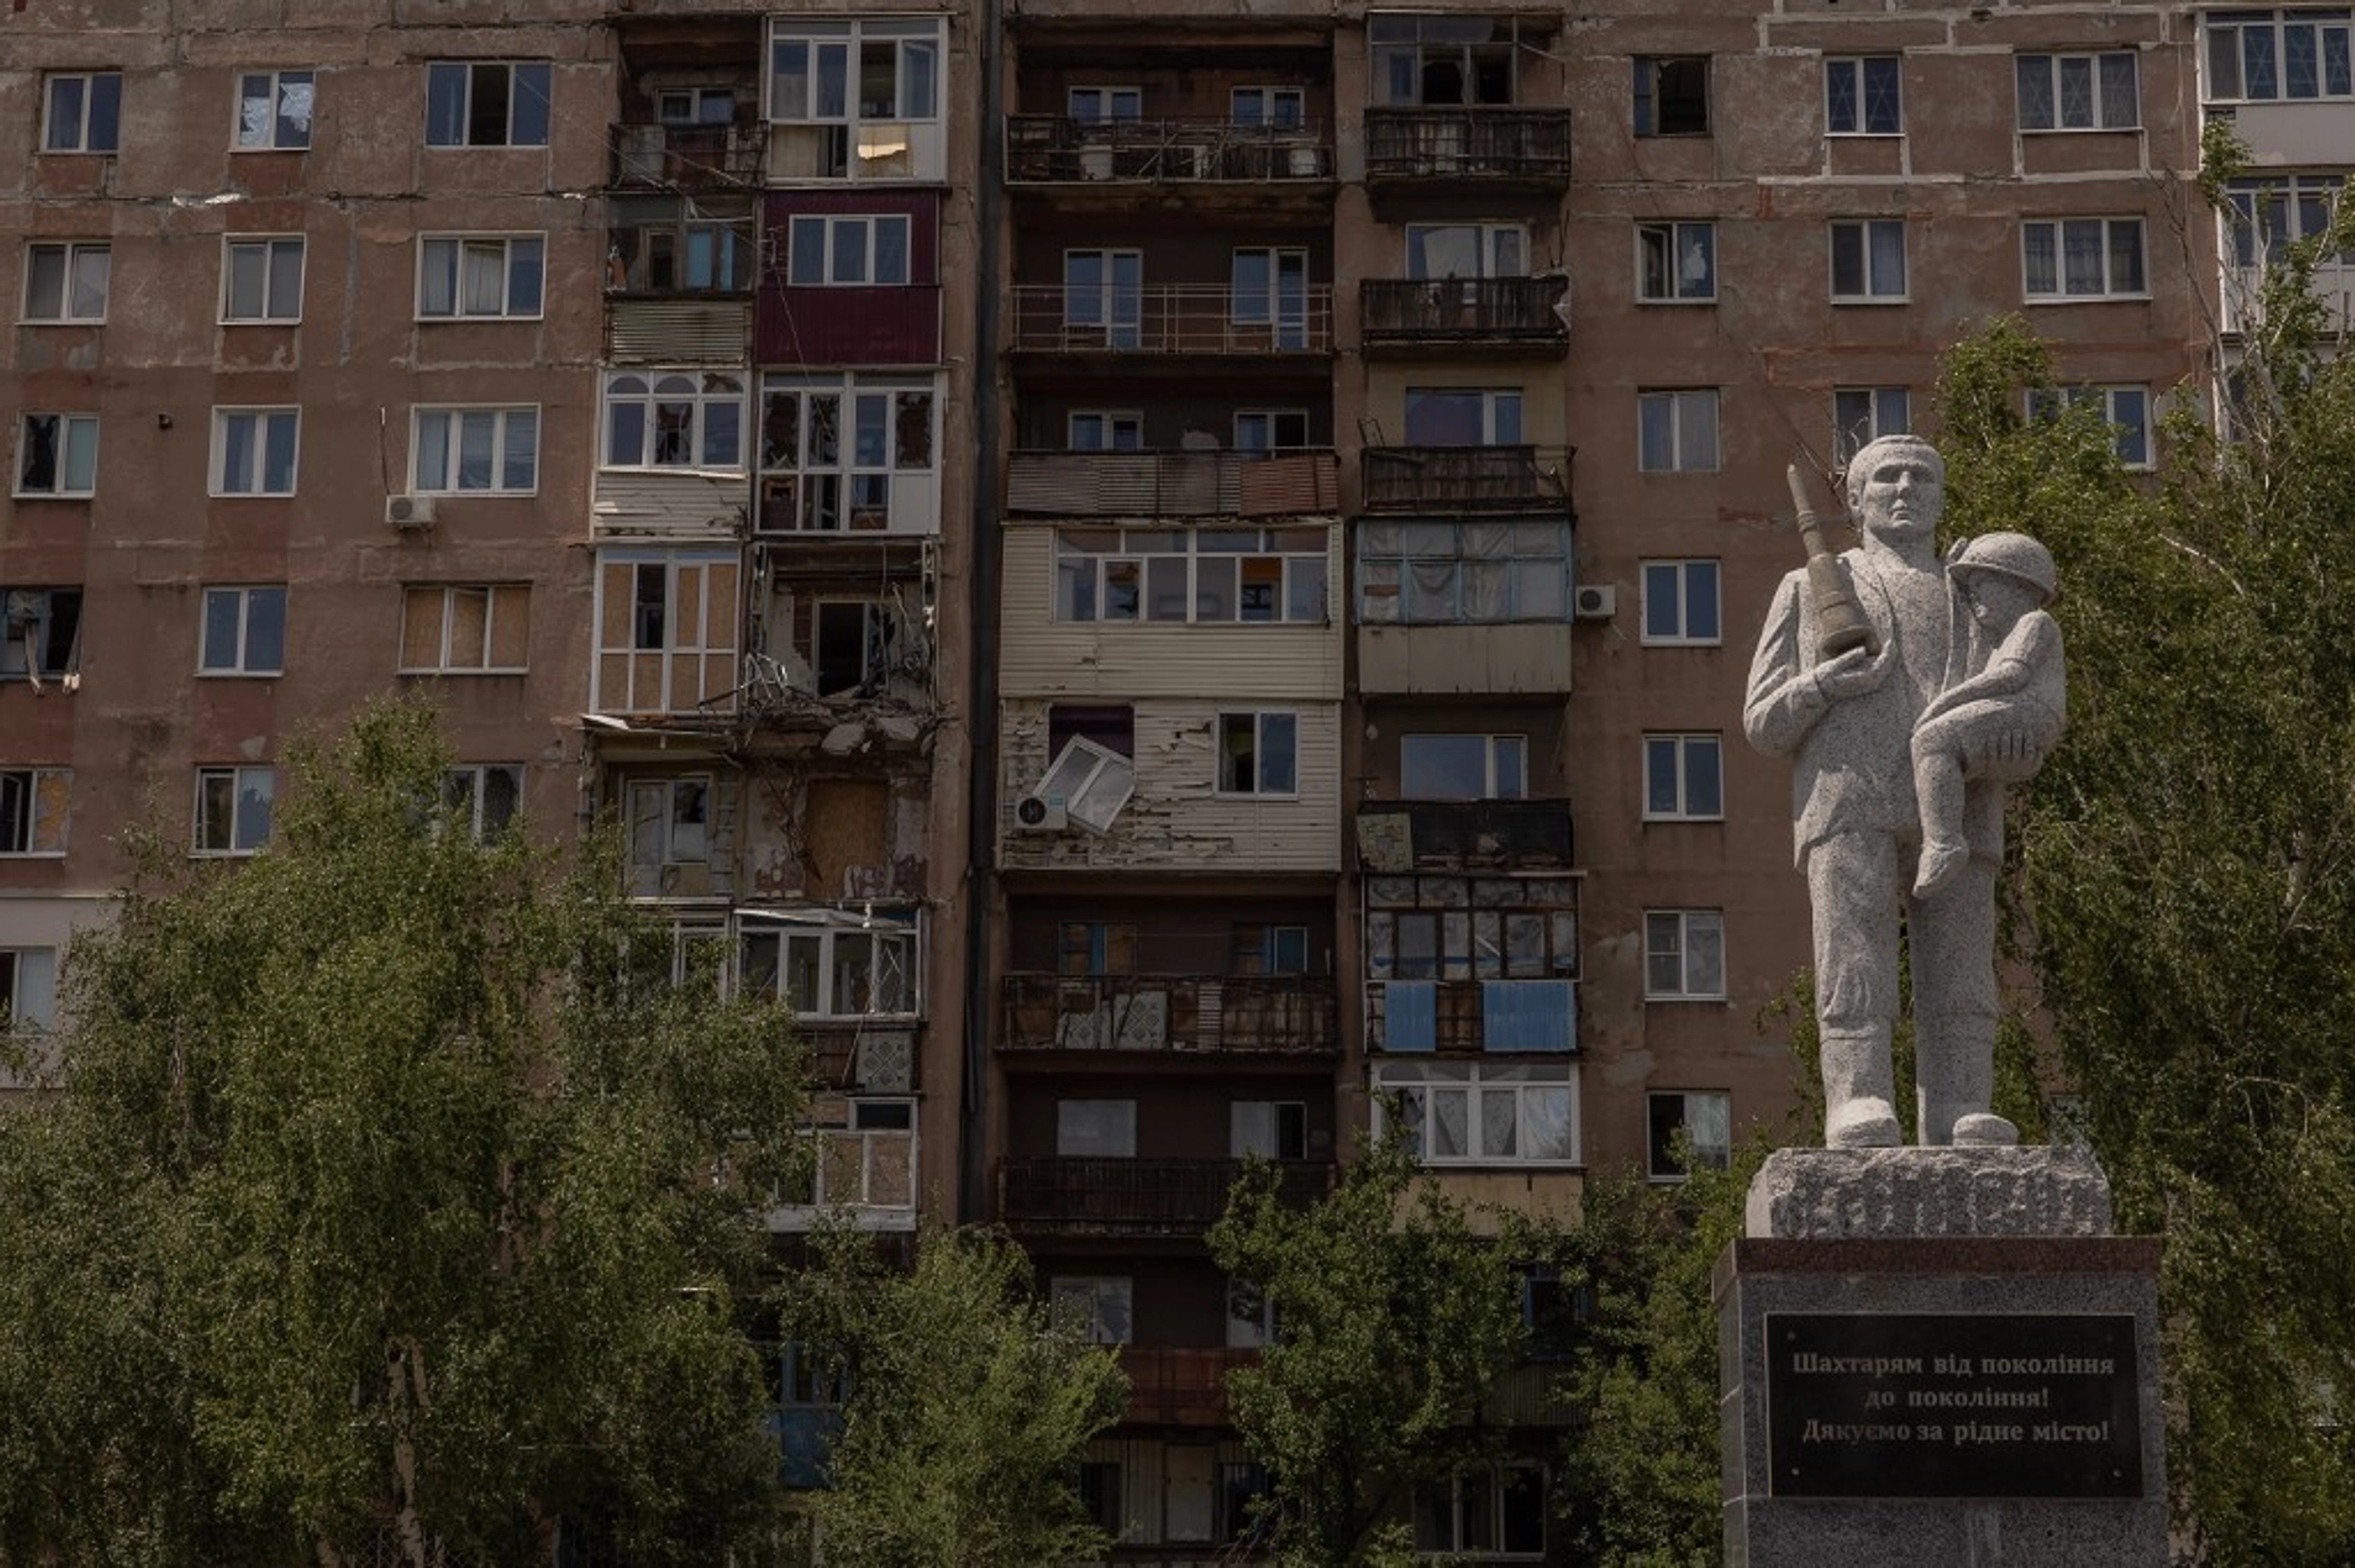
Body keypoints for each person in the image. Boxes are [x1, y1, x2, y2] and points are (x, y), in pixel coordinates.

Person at [1743, 435, 2045, 1150]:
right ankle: (1859, 1098)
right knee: (1856, 957)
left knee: (1963, 965)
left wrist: (2012, 744)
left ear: (1942, 497)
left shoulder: (1975, 594)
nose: (1904, 489)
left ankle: (1962, 1106)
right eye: (1886, 479)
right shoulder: (1811, 585)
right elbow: (1760, 720)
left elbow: (2021, 703)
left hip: (1963, 802)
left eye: (1921, 477)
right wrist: (1823, 683)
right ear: (1854, 500)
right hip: (1850, 796)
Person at [1910, 533, 2066, 898]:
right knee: (1938, 742)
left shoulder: (2035, 623)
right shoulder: (2000, 638)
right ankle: (1942, 839)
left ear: (2018, 586)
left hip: (2032, 712)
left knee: (1933, 738)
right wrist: (1951, 581)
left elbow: (2010, 676)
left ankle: (1944, 842)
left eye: (1982, 584)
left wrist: (1943, 704)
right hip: (2020, 714)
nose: (1974, 595)